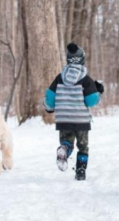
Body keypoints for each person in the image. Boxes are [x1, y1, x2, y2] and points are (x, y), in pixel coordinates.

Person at [43, 43, 104, 181]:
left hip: (64, 120)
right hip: (81, 120)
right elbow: (92, 101)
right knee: (83, 146)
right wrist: (99, 91)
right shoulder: (86, 79)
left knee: (67, 142)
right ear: (82, 59)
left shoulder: (59, 78)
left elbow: (50, 97)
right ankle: (81, 171)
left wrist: (48, 107)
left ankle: (64, 149)